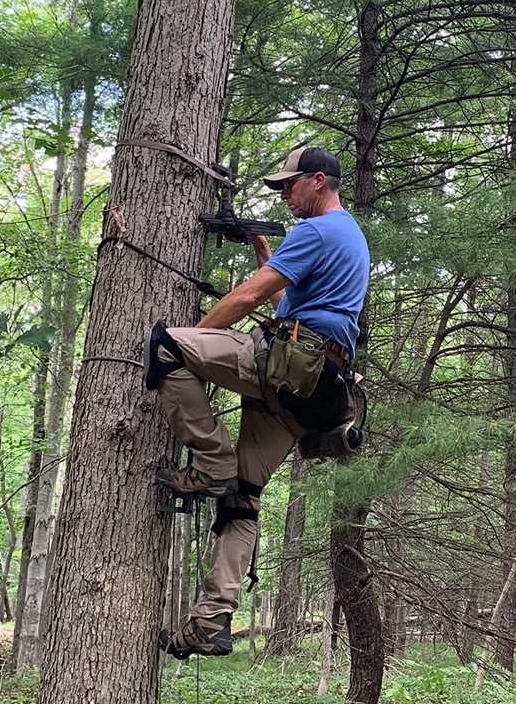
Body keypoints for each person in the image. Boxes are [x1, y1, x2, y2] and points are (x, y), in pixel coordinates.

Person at [144, 146, 370, 659]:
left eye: (289, 185)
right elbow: (288, 304)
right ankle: (210, 623)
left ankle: (209, 463)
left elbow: (247, 299)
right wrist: (263, 250)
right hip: (314, 391)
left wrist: (192, 340)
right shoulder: (349, 236)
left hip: (290, 365)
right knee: (242, 497)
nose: (284, 195)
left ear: (318, 181)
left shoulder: (316, 231)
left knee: (165, 346)